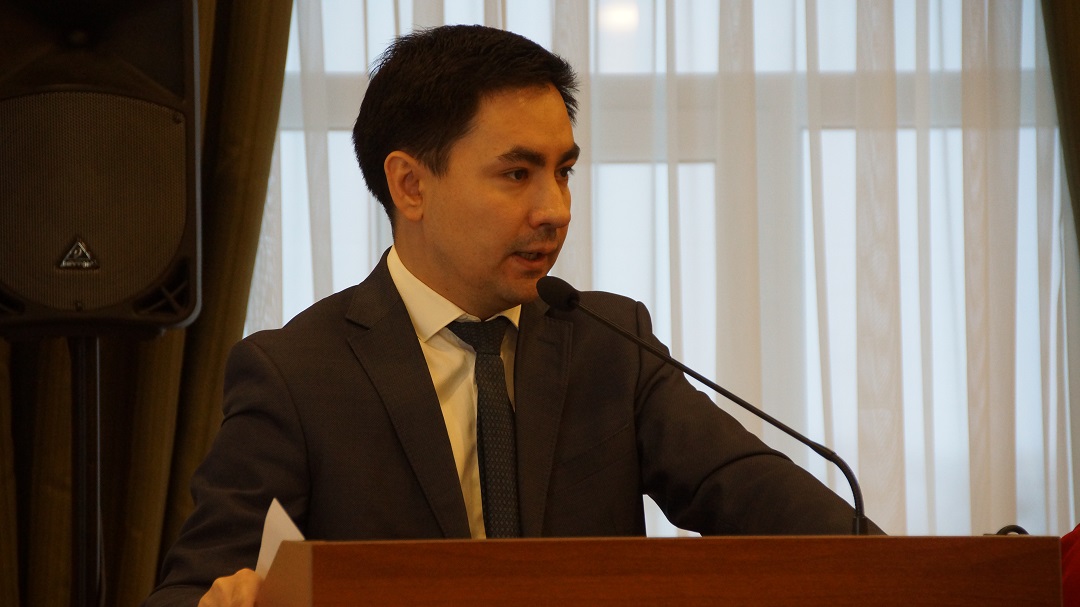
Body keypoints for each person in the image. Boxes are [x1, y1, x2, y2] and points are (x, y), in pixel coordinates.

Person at [143, 24, 879, 607]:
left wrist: (910, 567)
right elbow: (192, 586)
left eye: (564, 171)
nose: (555, 209)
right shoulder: (297, 374)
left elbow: (756, 495)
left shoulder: (609, 345)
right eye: (517, 173)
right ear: (410, 185)